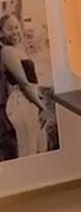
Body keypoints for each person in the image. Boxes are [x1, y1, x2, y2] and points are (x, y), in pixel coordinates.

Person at [0, 13, 48, 159]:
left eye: (16, 27)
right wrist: (43, 107)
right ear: (1, 32)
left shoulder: (18, 49)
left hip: (31, 100)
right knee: (29, 147)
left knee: (40, 144)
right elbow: (25, 84)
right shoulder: (7, 52)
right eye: (9, 29)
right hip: (21, 100)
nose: (14, 31)